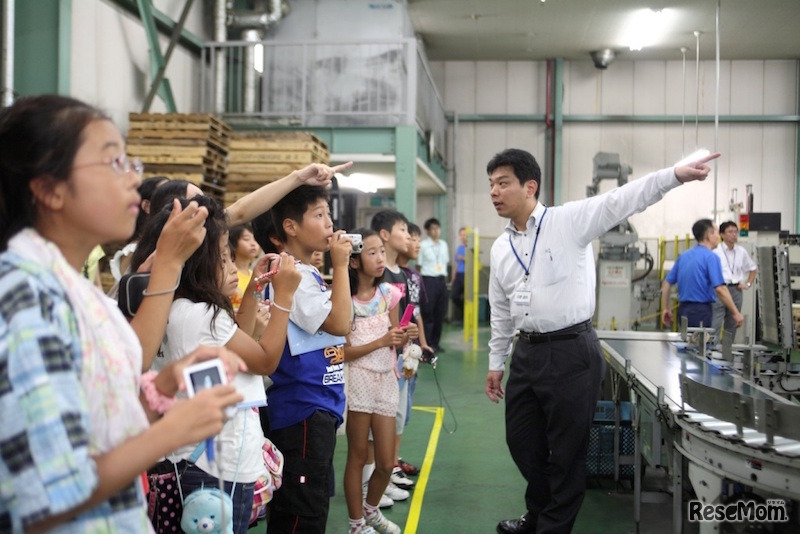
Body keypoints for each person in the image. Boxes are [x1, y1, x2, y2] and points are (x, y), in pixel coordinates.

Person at [0, 95, 243, 531]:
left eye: (131, 163)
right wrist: (171, 431)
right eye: (113, 163)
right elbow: (47, 494)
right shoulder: (25, 300)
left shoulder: (72, 288)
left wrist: (163, 387)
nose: (134, 179)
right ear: (49, 190)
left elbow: (101, 428)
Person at [484, 147, 721, 534]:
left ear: (530, 187)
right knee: (522, 442)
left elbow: (622, 199)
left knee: (566, 452)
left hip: (571, 351)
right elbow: (500, 311)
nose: (494, 192)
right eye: (491, 184)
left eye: (503, 183)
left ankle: (549, 528)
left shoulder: (568, 222)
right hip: (526, 353)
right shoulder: (501, 248)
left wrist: (674, 175)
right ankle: (540, 512)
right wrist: (497, 363)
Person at [132, 196, 301, 533]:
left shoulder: (171, 308)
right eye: (223, 256)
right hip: (215, 466)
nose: (230, 265)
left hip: (187, 460)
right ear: (198, 261)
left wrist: (252, 291)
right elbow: (264, 360)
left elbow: (238, 343)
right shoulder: (202, 315)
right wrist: (284, 296)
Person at [266, 185, 354, 533]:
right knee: (302, 515)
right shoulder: (294, 275)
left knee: (309, 507)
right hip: (303, 408)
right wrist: (341, 265)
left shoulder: (306, 273)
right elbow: (340, 323)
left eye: (328, 214)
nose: (329, 223)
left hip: (316, 405)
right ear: (290, 227)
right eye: (319, 215)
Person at [342, 228, 407, 534]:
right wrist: (382, 341)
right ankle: (356, 524)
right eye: (372, 252)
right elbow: (343, 353)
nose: (381, 258)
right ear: (354, 261)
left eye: (382, 251)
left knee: (385, 462)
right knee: (357, 456)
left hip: (387, 380)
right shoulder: (345, 301)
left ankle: (371, 509)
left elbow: (395, 338)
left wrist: (406, 337)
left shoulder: (390, 295)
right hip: (358, 381)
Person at [661, 219, 743, 331]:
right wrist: (735, 312)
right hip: (701, 311)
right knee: (699, 341)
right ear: (709, 235)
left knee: (686, 339)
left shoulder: (684, 256)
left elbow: (666, 283)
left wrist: (666, 308)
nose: (718, 236)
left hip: (683, 309)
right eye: (716, 232)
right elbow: (720, 289)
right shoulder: (711, 257)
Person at [712, 220, 757, 342]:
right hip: (720, 290)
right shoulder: (716, 252)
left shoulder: (741, 251)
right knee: (715, 323)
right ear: (722, 235)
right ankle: (712, 349)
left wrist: (748, 284)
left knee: (732, 324)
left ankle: (727, 350)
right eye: (730, 232)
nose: (734, 234)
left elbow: (753, 269)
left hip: (736, 290)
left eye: (736, 232)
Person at [418, 218, 449, 351]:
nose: (436, 231)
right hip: (428, 280)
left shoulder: (443, 244)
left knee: (440, 313)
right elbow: (419, 265)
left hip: (441, 281)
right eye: (433, 228)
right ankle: (427, 343)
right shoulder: (423, 245)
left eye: (438, 228)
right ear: (427, 231)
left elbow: (445, 263)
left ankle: (436, 343)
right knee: (428, 313)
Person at [228, 223, 261, 313]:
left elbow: (258, 300)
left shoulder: (255, 275)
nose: (253, 244)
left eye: (255, 239)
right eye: (246, 239)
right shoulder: (228, 274)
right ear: (233, 243)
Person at [450, 227, 467, 324]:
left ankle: (465, 319)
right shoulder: (459, 248)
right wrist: (453, 276)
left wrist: (464, 258)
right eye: (461, 235)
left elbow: (474, 261)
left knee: (467, 298)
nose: (463, 237)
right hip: (459, 275)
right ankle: (463, 313)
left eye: (464, 235)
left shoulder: (471, 248)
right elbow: (456, 263)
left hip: (467, 275)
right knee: (454, 296)